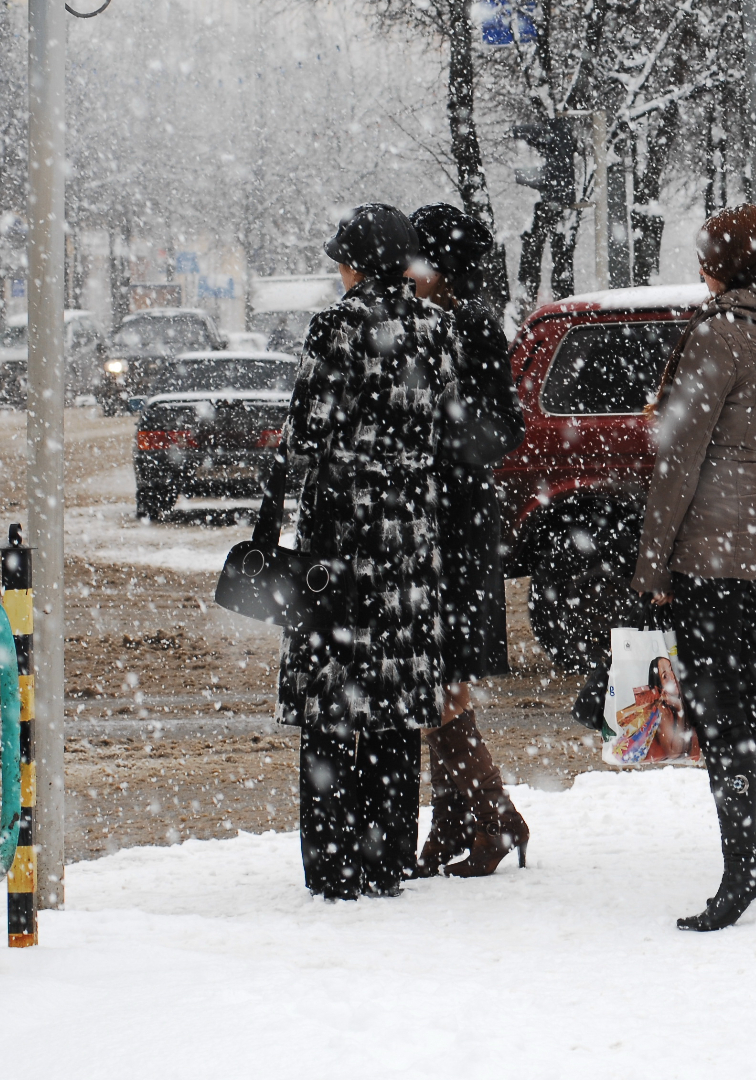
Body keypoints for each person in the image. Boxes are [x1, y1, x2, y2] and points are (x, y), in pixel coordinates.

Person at [631, 204, 756, 932]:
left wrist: (653, 562)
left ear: (715, 266)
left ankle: (740, 868)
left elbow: (679, 460)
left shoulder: (717, 335)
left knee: (721, 710)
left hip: (708, 550)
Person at [279, 203, 456, 899]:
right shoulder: (435, 328)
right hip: (410, 535)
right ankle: (385, 859)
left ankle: (333, 862)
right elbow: (441, 425)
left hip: (343, 538)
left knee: (332, 703)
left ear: (355, 263)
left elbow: (305, 433)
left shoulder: (338, 325)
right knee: (395, 703)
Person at [406, 202, 530, 876]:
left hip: (455, 522)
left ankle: (493, 815)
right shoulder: (437, 322)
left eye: (418, 259)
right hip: (441, 521)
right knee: (437, 683)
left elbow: (503, 425)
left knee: (442, 685)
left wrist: (438, 443)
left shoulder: (473, 326)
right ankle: (462, 822)